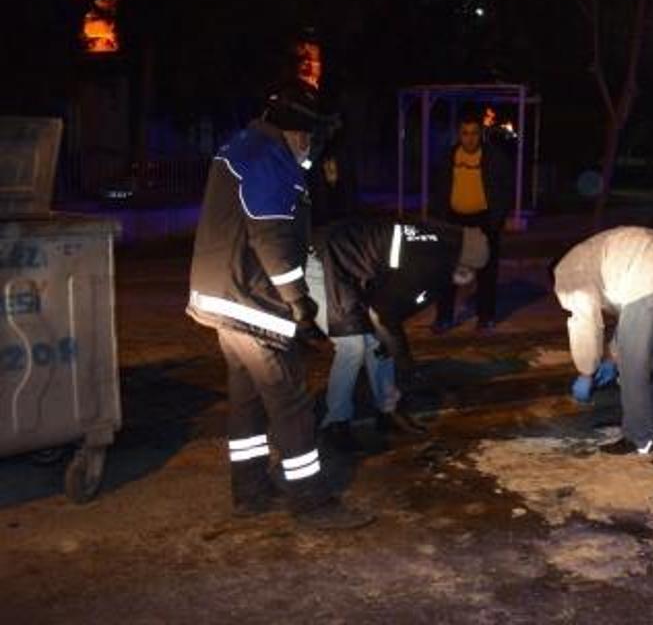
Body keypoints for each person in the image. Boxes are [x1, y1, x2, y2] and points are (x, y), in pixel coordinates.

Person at [186, 81, 371, 530]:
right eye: (311, 137)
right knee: (291, 402)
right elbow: (271, 239)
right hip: (252, 304)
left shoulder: (241, 147)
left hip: (222, 299)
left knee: (247, 400)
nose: (311, 147)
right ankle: (310, 502)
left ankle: (248, 491)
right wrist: (299, 303)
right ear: (298, 132)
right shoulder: (270, 159)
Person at [309, 217, 490, 452]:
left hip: (346, 267)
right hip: (319, 262)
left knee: (377, 343)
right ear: (462, 262)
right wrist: (405, 362)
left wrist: (394, 347)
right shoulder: (425, 258)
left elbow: (386, 308)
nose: (469, 278)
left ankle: (388, 412)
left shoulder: (436, 241)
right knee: (353, 345)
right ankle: (335, 424)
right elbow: (386, 314)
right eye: (471, 270)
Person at [552, 227, 653, 456]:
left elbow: (586, 323)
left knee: (633, 366)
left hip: (651, 278)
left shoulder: (567, 271)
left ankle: (640, 438)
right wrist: (612, 355)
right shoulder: (594, 252)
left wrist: (586, 371)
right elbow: (629, 315)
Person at [432, 111, 513, 333]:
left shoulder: (495, 158)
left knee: (486, 271)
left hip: (484, 220)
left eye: (474, 133)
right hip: (454, 221)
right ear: (459, 134)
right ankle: (444, 317)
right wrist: (439, 218)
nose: (469, 138)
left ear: (481, 134)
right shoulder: (448, 157)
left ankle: (485, 317)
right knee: (448, 270)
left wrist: (496, 220)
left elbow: (506, 189)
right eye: (465, 133)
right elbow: (438, 189)